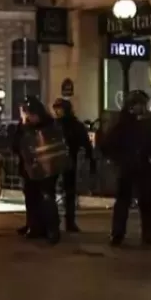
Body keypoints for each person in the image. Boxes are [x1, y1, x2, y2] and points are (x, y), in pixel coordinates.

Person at [99, 89, 151, 247]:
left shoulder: (149, 122)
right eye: (139, 104)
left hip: (144, 167)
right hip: (128, 167)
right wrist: (119, 159)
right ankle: (118, 233)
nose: (142, 108)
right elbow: (108, 144)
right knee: (123, 201)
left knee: (146, 201)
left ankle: (150, 234)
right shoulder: (123, 123)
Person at [13, 97, 67, 244]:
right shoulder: (24, 126)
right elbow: (16, 144)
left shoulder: (49, 125)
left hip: (47, 168)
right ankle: (34, 226)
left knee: (47, 197)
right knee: (31, 197)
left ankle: (51, 229)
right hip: (30, 168)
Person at [52, 98, 93, 232]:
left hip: (69, 161)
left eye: (59, 109)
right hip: (55, 161)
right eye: (56, 109)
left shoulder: (75, 125)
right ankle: (53, 221)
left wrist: (89, 156)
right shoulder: (54, 125)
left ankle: (70, 221)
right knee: (52, 192)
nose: (57, 111)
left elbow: (85, 143)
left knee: (69, 193)